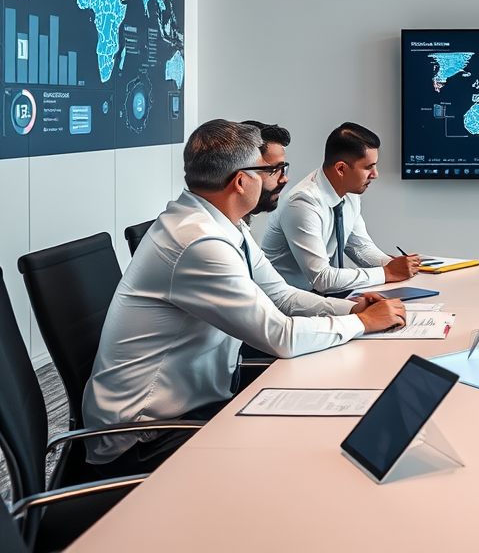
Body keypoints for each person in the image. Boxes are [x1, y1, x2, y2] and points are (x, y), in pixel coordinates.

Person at [82, 120, 406, 473]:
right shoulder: (198, 242)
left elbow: (280, 295)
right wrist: (359, 323)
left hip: (195, 404)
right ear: (241, 180)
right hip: (146, 435)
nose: (275, 178)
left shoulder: (223, 224)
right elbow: (279, 336)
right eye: (268, 170)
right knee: (301, 461)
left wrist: (353, 307)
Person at [262, 122, 420, 294]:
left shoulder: (350, 193)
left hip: (321, 297)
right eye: (368, 167)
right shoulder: (302, 203)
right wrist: (387, 272)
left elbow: (360, 248)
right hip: (288, 303)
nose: (375, 174)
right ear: (341, 169)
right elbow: (321, 278)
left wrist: (391, 264)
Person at [240, 120, 291, 226]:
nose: (284, 179)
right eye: (275, 169)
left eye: (283, 168)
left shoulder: (239, 224)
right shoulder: (212, 233)